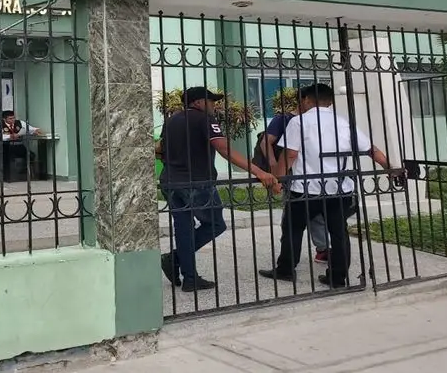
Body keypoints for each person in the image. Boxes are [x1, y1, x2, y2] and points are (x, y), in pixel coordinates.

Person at [259, 83, 402, 288]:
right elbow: (371, 149)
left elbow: (290, 154)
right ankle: (337, 277)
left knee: (293, 228)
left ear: (307, 100)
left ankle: (285, 269)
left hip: (305, 189)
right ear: (330, 102)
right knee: (338, 232)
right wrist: (390, 168)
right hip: (339, 188)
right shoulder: (343, 123)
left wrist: (277, 181)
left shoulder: (299, 122)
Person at [158, 87, 281, 292]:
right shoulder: (204, 119)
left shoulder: (171, 120)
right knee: (215, 224)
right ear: (198, 102)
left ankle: (189, 276)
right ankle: (175, 258)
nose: (214, 105)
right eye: (211, 101)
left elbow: (161, 149)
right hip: (197, 182)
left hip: (170, 182)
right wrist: (259, 172)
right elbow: (224, 149)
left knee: (183, 226)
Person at [251, 90, 330, 264]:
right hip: (289, 173)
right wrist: (275, 168)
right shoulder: (284, 119)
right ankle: (292, 256)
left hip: (311, 173)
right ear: (304, 101)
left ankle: (321, 249)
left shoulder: (316, 121)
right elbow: (266, 142)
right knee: (293, 216)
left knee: (314, 213)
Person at [0, 110, 42, 179]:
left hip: (18, 145)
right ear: (4, 119)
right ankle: (6, 176)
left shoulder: (20, 123)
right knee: (5, 157)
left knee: (30, 155)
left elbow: (31, 129)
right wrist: (10, 136)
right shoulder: (0, 125)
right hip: (5, 146)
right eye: (10, 119)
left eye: (13, 118)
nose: (12, 120)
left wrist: (35, 130)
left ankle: (24, 171)